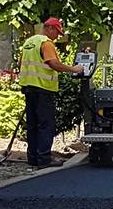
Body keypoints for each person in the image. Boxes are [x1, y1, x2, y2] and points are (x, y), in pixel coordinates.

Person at [18, 17, 83, 168]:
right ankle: (44, 158)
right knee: (45, 124)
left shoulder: (29, 42)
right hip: (43, 89)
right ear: (50, 28)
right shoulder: (46, 43)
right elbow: (53, 63)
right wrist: (74, 69)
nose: (58, 36)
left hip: (29, 88)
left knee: (33, 124)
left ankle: (33, 157)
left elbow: (21, 63)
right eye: (57, 32)